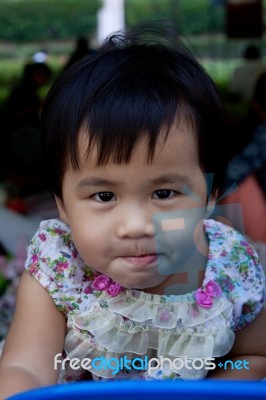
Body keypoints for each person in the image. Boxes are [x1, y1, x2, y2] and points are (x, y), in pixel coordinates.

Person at [0, 30, 265, 398]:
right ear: (61, 203)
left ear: (211, 195)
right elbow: (25, 368)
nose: (137, 226)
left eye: (164, 192)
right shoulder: (59, 269)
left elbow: (253, 356)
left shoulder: (229, 267)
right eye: (104, 195)